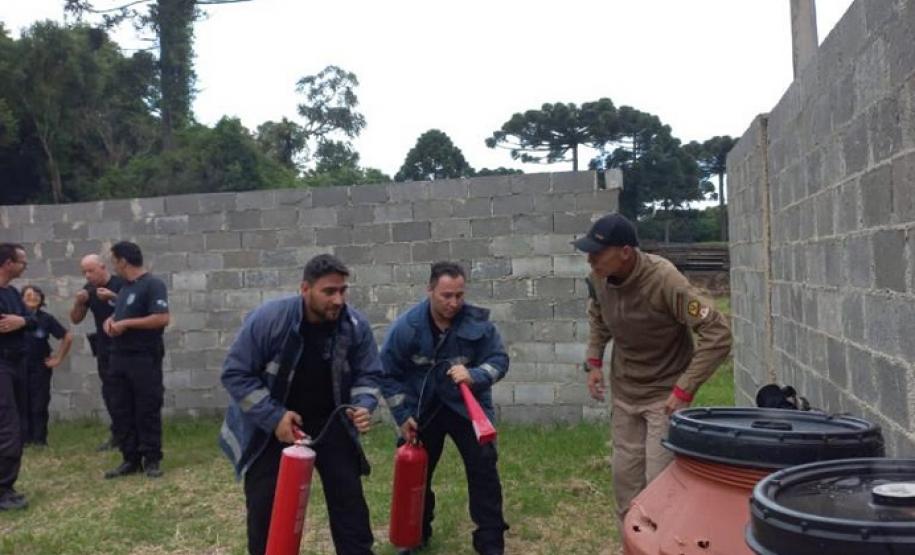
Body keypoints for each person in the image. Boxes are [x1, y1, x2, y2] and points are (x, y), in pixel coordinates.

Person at [219, 254, 383, 555]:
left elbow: (369, 373)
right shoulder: (270, 320)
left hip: (330, 423)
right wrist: (274, 417)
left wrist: (363, 404)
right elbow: (235, 373)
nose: (338, 299)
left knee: (350, 504)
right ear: (305, 289)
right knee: (266, 509)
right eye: (329, 291)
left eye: (342, 290)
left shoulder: (354, 324)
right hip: (272, 428)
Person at [572, 213, 732, 521]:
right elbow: (599, 317)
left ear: (625, 252)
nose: (590, 259)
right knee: (625, 484)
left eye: (597, 252)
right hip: (625, 392)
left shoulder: (665, 280)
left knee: (659, 487)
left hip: (664, 397)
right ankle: (631, 541)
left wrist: (684, 389)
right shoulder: (598, 279)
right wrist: (593, 362)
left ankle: (661, 539)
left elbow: (718, 334)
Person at [380, 261, 510, 555]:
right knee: (415, 473)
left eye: (459, 295)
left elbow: (499, 361)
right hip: (423, 409)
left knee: (484, 472)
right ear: (430, 290)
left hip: (467, 409)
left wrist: (474, 375)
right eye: (446, 296)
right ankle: (414, 536)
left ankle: (491, 544)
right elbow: (386, 373)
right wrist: (402, 416)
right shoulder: (407, 327)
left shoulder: (479, 324)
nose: (454, 303)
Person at [102, 241, 170, 480]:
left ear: (123, 261)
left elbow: (161, 318)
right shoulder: (125, 288)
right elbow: (121, 314)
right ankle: (130, 458)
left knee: (146, 407)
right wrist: (111, 321)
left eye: (114, 261)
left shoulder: (153, 284)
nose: (113, 266)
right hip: (118, 356)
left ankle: (151, 458)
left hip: (143, 357)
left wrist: (126, 324)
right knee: (121, 407)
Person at [69, 253, 125, 451]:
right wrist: (79, 302)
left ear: (102, 267)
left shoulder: (121, 284)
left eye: (91, 271)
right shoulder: (89, 290)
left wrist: (113, 297)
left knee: (127, 391)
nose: (87, 276)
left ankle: (133, 433)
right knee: (109, 392)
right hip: (104, 348)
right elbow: (75, 319)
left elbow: (135, 308)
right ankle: (118, 434)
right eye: (84, 272)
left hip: (126, 347)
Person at [0, 243, 35, 511]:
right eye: (22, 261)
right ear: (8, 263)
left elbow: (32, 320)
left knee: (18, 425)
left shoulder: (11, 292)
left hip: (16, 364)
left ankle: (8, 487)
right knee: (7, 426)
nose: (25, 266)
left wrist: (21, 321)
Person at [21, 285, 72, 446]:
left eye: (37, 295)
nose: (33, 298)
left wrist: (58, 358)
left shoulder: (46, 319)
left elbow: (67, 337)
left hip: (39, 367)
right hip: (18, 366)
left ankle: (39, 440)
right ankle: (23, 439)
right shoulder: (15, 318)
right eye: (28, 295)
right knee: (21, 402)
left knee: (39, 403)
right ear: (21, 299)